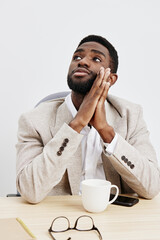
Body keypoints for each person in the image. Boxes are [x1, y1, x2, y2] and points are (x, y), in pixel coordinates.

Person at [16, 35, 160, 203]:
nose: (82, 62)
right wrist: (75, 126)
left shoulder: (130, 116)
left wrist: (106, 132)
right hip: (59, 220)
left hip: (116, 219)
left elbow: (152, 187)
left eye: (96, 58)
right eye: (77, 57)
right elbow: (29, 190)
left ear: (111, 78)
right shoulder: (33, 120)